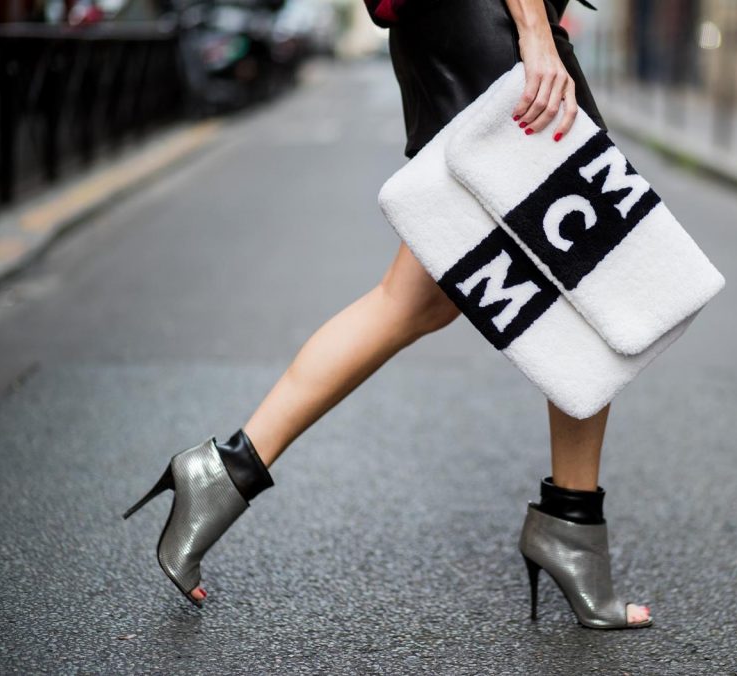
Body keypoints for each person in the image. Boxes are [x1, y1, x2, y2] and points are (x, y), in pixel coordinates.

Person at [123, 0, 652, 630]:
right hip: (500, 36)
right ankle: (571, 525)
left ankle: (221, 472)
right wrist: (535, 32)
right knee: (588, 280)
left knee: (416, 300)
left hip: (452, 35)